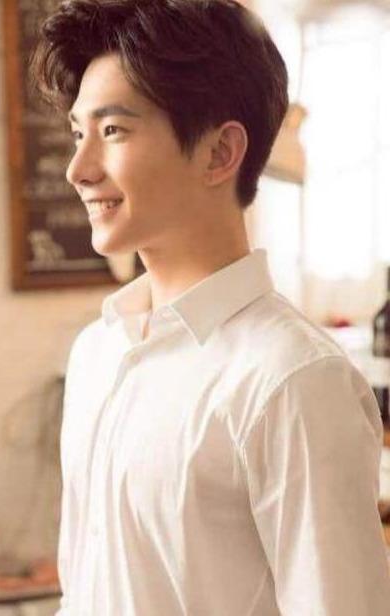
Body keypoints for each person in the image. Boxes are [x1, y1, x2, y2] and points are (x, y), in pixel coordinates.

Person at [31, 0, 390, 613]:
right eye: (77, 134)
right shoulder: (97, 352)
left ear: (220, 153)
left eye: (113, 131)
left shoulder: (294, 380)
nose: (77, 170)